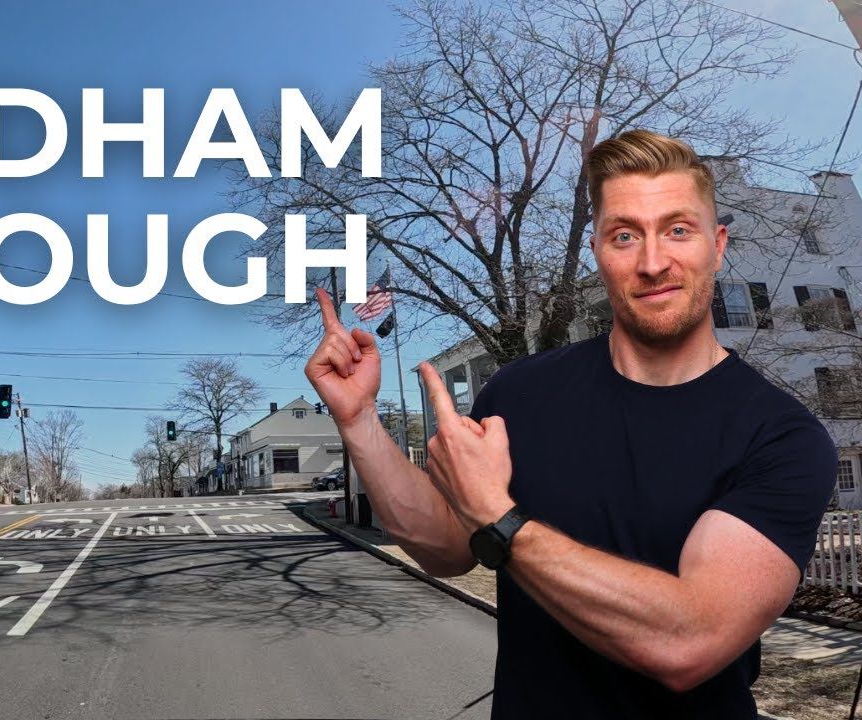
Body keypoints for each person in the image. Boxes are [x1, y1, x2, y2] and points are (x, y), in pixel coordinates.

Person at [305, 129, 837, 719]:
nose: (653, 261)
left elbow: (690, 639)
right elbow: (447, 550)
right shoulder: (520, 391)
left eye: (678, 230)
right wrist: (357, 420)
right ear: (597, 252)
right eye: (624, 235)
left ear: (718, 244)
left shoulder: (782, 436)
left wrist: (501, 522)